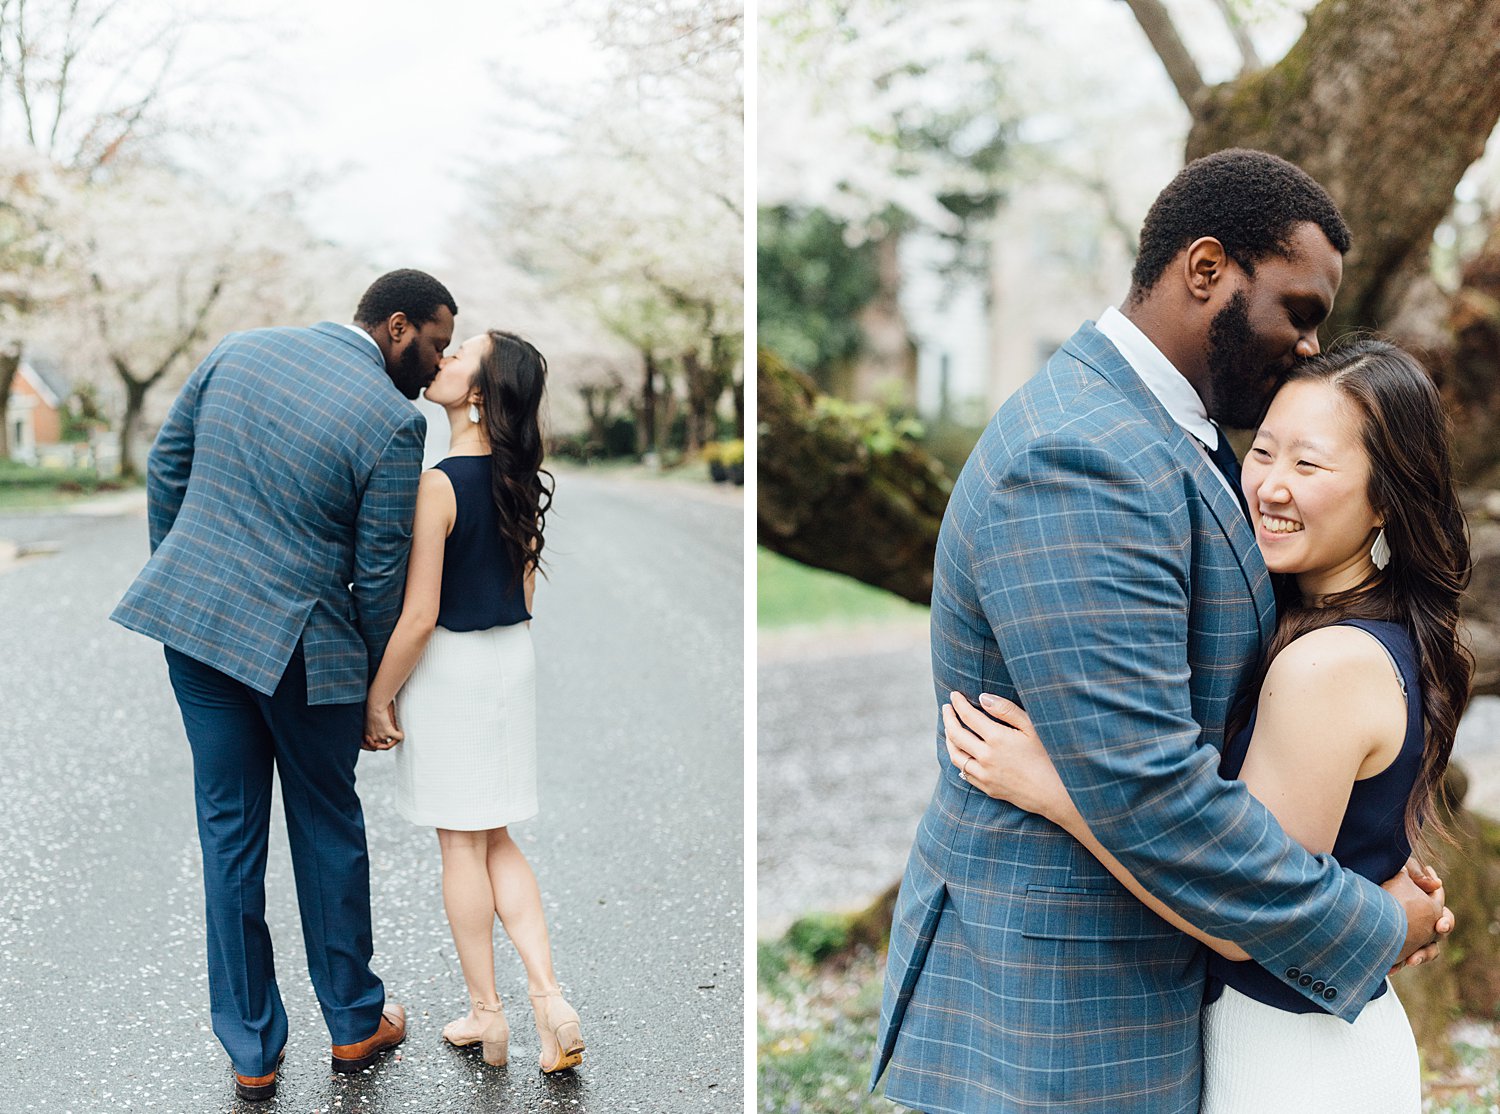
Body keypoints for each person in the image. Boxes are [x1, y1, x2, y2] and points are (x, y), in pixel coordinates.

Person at [871, 150, 1452, 1114]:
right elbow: (1151, 792)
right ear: (1207, 270)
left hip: (1180, 991)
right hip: (1060, 1008)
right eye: (1299, 311)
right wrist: (1373, 924)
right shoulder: (1081, 454)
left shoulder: (1166, 430)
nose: (1311, 346)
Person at [943, 339, 1472, 1111]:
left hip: (1294, 1061)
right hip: (1303, 1040)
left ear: (1386, 496)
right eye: (1264, 452)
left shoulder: (1324, 664)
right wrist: (1388, 917)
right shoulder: (1351, 627)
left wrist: (1058, 791)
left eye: (1310, 465)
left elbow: (1238, 916)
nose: (1271, 486)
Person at [110, 269, 458, 1102]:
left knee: (228, 835)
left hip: (196, 636)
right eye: (437, 344)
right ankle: (352, 1022)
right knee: (327, 825)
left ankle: (252, 1049)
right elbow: (378, 576)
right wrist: (382, 686)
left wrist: (187, 573)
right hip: (309, 653)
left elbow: (167, 470)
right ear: (397, 326)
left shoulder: (237, 350)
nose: (437, 367)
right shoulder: (392, 421)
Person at [359, 329, 585, 1074]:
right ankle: (550, 999)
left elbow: (419, 615)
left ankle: (489, 1017)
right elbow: (523, 594)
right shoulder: (520, 480)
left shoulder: (440, 484)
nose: (443, 361)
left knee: (461, 843)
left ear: (480, 396)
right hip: (509, 661)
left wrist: (378, 700)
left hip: (452, 666)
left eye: (462, 358)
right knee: (499, 837)